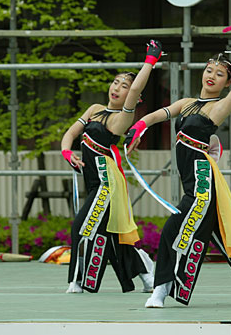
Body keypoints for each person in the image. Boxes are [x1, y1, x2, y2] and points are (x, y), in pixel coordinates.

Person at [125, 26, 231, 308]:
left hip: (202, 182)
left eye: (220, 74)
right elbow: (156, 116)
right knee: (225, 235)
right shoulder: (187, 103)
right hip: (193, 181)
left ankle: (160, 290)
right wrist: (138, 127)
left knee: (173, 229)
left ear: (227, 82)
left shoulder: (219, 107)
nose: (212, 75)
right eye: (209, 70)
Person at [60, 40, 163, 294]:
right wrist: (67, 152)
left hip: (107, 183)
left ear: (134, 97)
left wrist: (150, 61)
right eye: (116, 82)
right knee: (113, 235)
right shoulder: (95, 109)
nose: (117, 88)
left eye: (124, 86)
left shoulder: (122, 118)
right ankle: (146, 274)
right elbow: (70, 133)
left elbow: (137, 87)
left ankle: (76, 280)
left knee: (81, 227)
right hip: (93, 183)